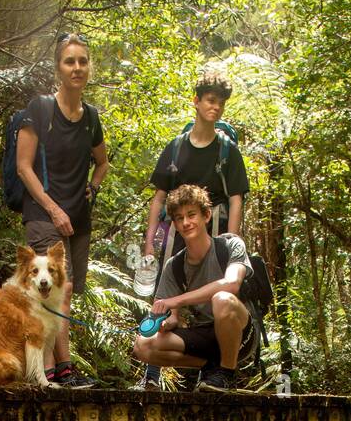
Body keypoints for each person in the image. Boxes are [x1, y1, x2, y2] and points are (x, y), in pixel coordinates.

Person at [137, 67, 249, 388]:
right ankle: (152, 376)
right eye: (210, 100)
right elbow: (159, 199)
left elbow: (237, 197)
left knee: (218, 296)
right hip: (176, 235)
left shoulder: (227, 151)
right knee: (164, 295)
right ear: (196, 102)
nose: (215, 107)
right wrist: (150, 244)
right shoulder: (176, 148)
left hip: (214, 236)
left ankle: (217, 369)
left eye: (221, 103)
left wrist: (233, 239)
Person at [16, 32, 109, 386]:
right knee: (55, 290)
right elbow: (24, 167)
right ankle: (60, 370)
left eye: (83, 61)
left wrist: (92, 189)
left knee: (65, 292)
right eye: (70, 61)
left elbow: (102, 163)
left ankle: (53, 371)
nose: (77, 68)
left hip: (78, 219)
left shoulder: (91, 117)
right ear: (58, 68)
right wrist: (54, 210)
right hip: (44, 214)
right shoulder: (40, 109)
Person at [132, 184, 254, 392]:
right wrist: (166, 322)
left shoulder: (231, 246)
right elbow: (172, 317)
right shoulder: (175, 266)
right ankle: (210, 367)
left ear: (206, 216)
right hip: (204, 336)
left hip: (241, 334)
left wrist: (177, 300)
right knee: (143, 345)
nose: (186, 222)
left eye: (191, 215)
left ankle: (227, 374)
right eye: (179, 218)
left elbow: (232, 284)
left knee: (222, 298)